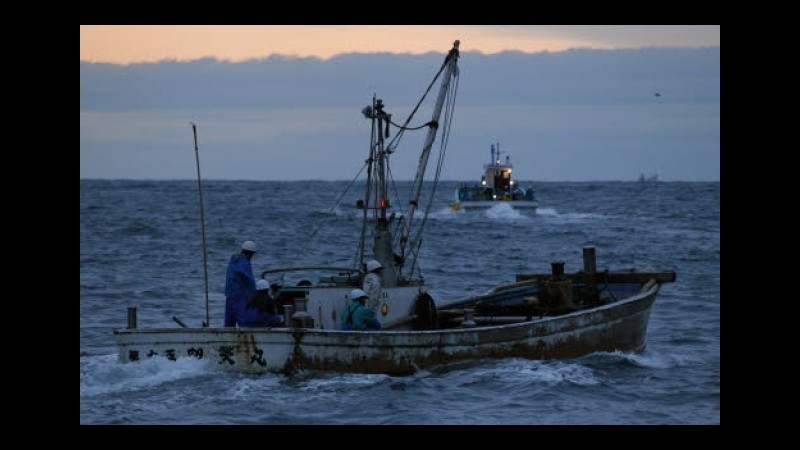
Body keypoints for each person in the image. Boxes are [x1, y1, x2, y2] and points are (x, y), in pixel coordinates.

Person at [224, 240, 257, 327]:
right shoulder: (245, 264)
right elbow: (250, 282)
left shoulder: (232, 261)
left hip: (229, 298)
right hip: (239, 299)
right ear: (250, 254)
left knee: (228, 326)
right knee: (244, 325)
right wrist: (256, 297)